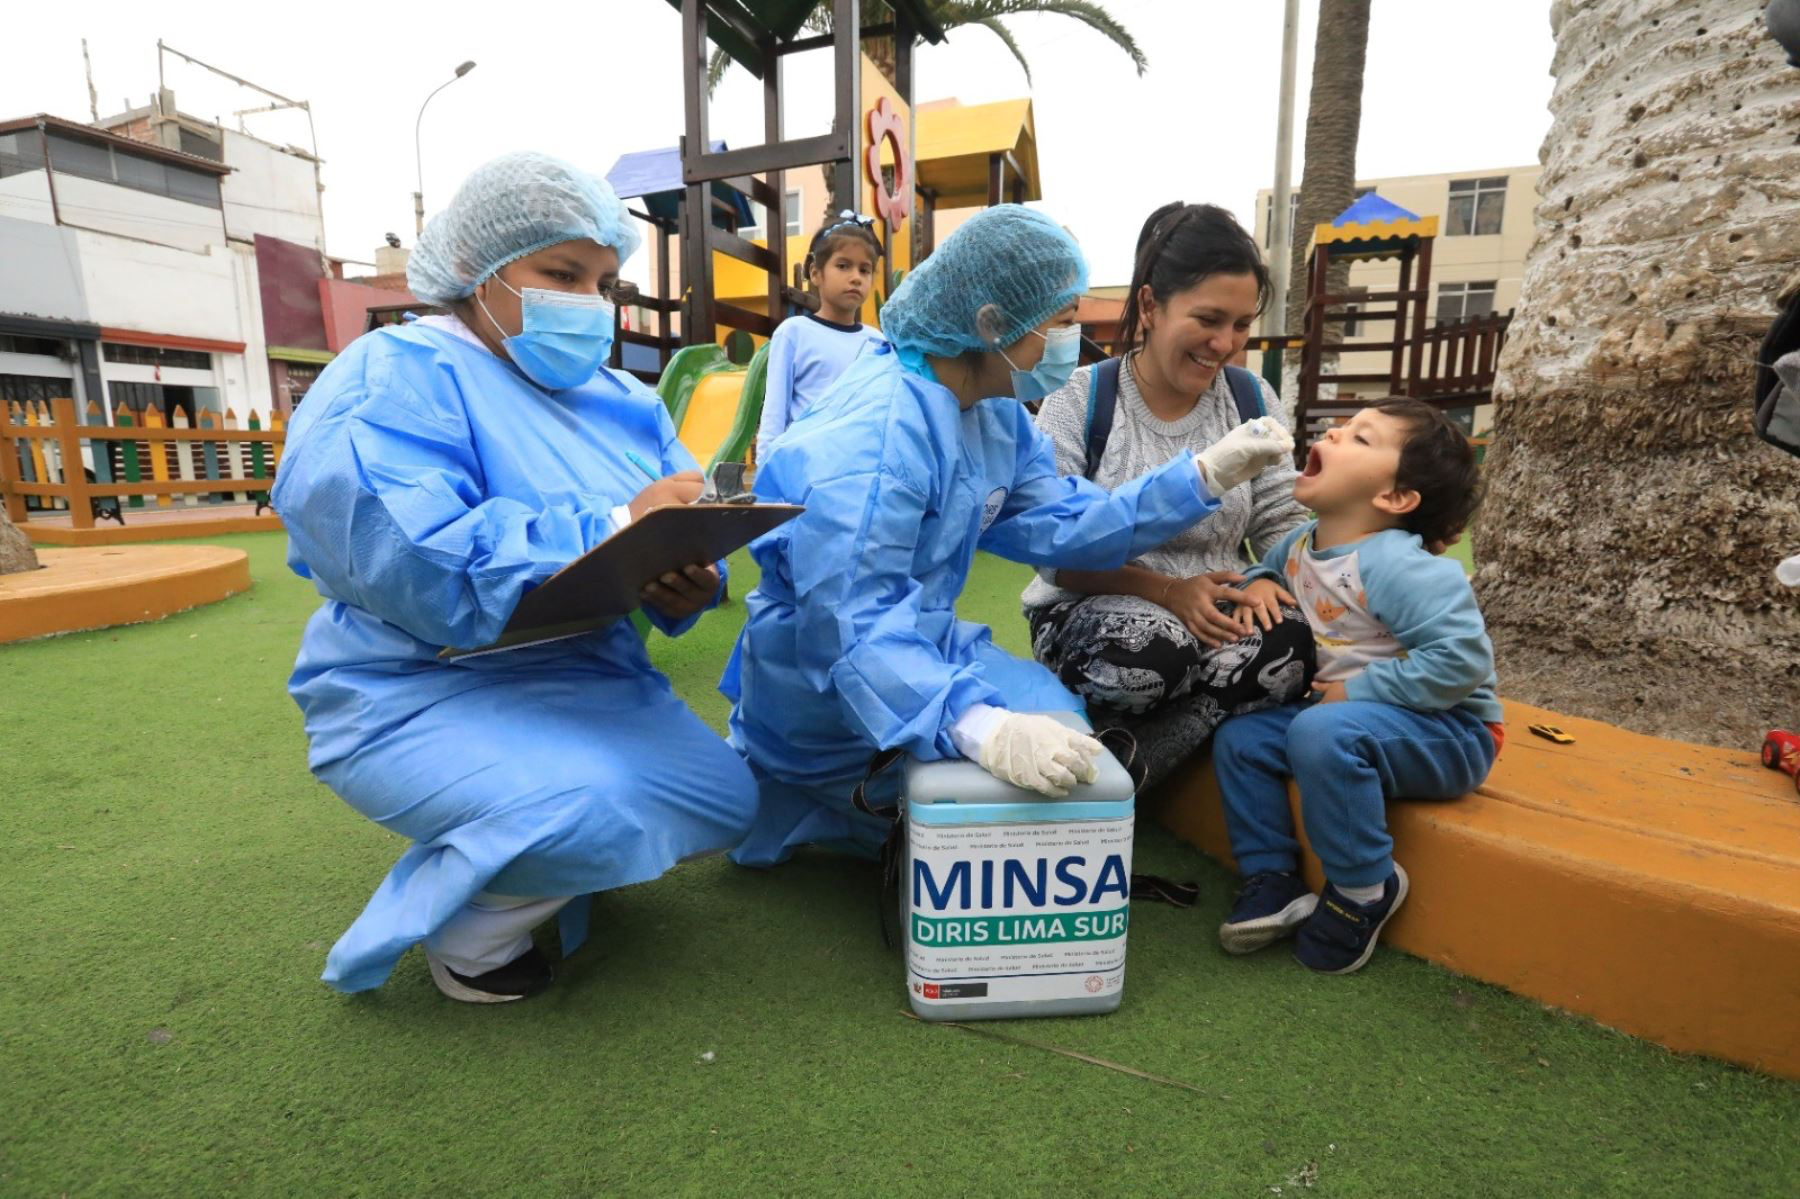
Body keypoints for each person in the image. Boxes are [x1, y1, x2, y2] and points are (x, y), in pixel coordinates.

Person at [273, 152, 755, 1003]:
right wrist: (614, 527)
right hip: (412, 688)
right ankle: (471, 934)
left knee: (724, 800)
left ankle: (535, 839)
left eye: (605, 281)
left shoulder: (626, 399)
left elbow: (672, 515)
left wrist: (689, 579)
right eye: (562, 273)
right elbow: (407, 549)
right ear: (472, 268)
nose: (590, 304)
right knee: (590, 804)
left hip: (584, 677)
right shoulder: (392, 373)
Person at [720, 204, 1295, 865]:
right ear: (994, 322)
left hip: (923, 645)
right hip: (826, 690)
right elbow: (849, 627)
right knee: (986, 809)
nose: (1072, 344)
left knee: (1065, 745)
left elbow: (1070, 522)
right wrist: (977, 724)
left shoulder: (994, 414)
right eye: (1064, 321)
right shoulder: (875, 442)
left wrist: (1199, 475)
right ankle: (825, 797)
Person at [1023, 203, 1314, 789]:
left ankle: (1146, 752)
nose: (1225, 343)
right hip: (1103, 613)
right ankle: (1186, 713)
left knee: (1295, 641)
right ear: (1152, 307)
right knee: (1152, 656)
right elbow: (1055, 552)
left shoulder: (1250, 397)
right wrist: (1167, 591)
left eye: (1240, 324)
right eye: (1208, 319)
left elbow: (1287, 516)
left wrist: (1271, 580)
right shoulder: (1082, 398)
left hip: (1217, 613)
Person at [1211, 398, 1504, 974]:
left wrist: (1362, 691)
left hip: (1453, 733)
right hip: (1345, 723)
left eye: (1362, 438)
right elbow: (1262, 571)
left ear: (1394, 499)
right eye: (1342, 427)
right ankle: (1272, 875)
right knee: (1242, 740)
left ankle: (1364, 888)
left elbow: (1462, 662)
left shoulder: (1400, 566)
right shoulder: (1300, 546)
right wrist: (1261, 582)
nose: (1334, 432)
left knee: (1323, 727)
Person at [753, 212, 888, 462]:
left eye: (864, 270)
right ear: (816, 273)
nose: (856, 277)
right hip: (804, 469)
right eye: (843, 266)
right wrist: (766, 475)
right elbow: (773, 415)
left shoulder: (877, 342)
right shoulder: (794, 333)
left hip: (858, 469)